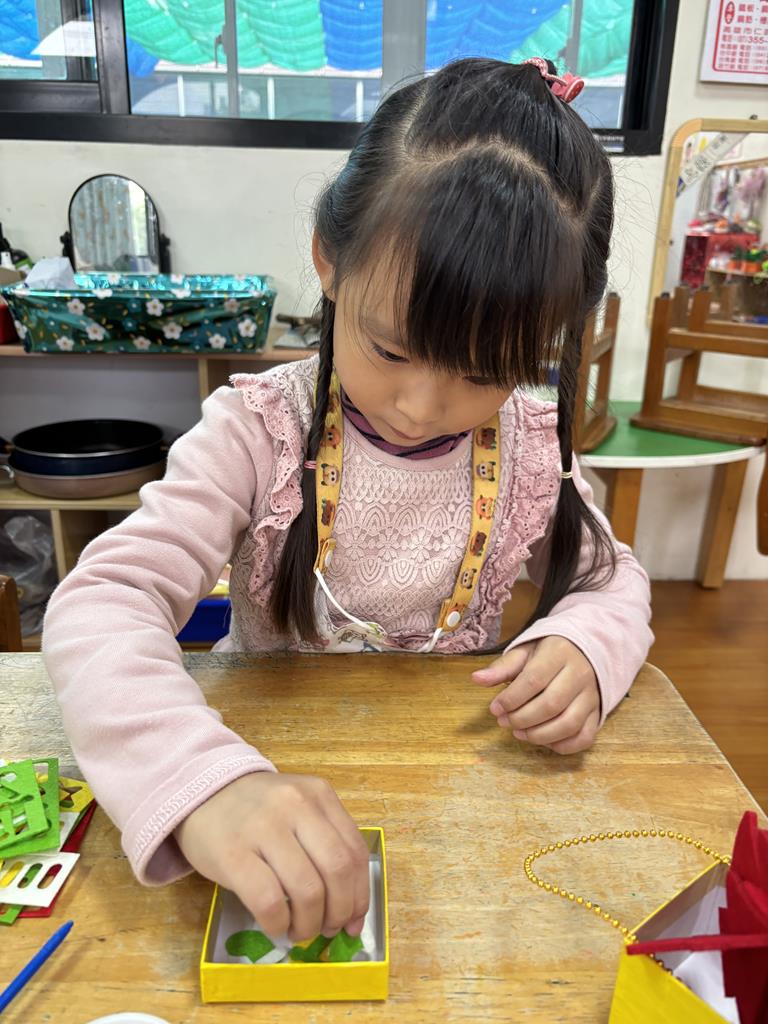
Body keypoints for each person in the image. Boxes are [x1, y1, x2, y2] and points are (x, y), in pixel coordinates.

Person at [43, 57, 652, 948]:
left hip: (455, 791)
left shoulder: (529, 444)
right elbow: (103, 601)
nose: (421, 407)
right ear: (329, 262)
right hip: (258, 776)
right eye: (392, 350)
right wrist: (200, 782)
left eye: (485, 371)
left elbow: (610, 580)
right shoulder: (259, 430)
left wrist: (588, 646)